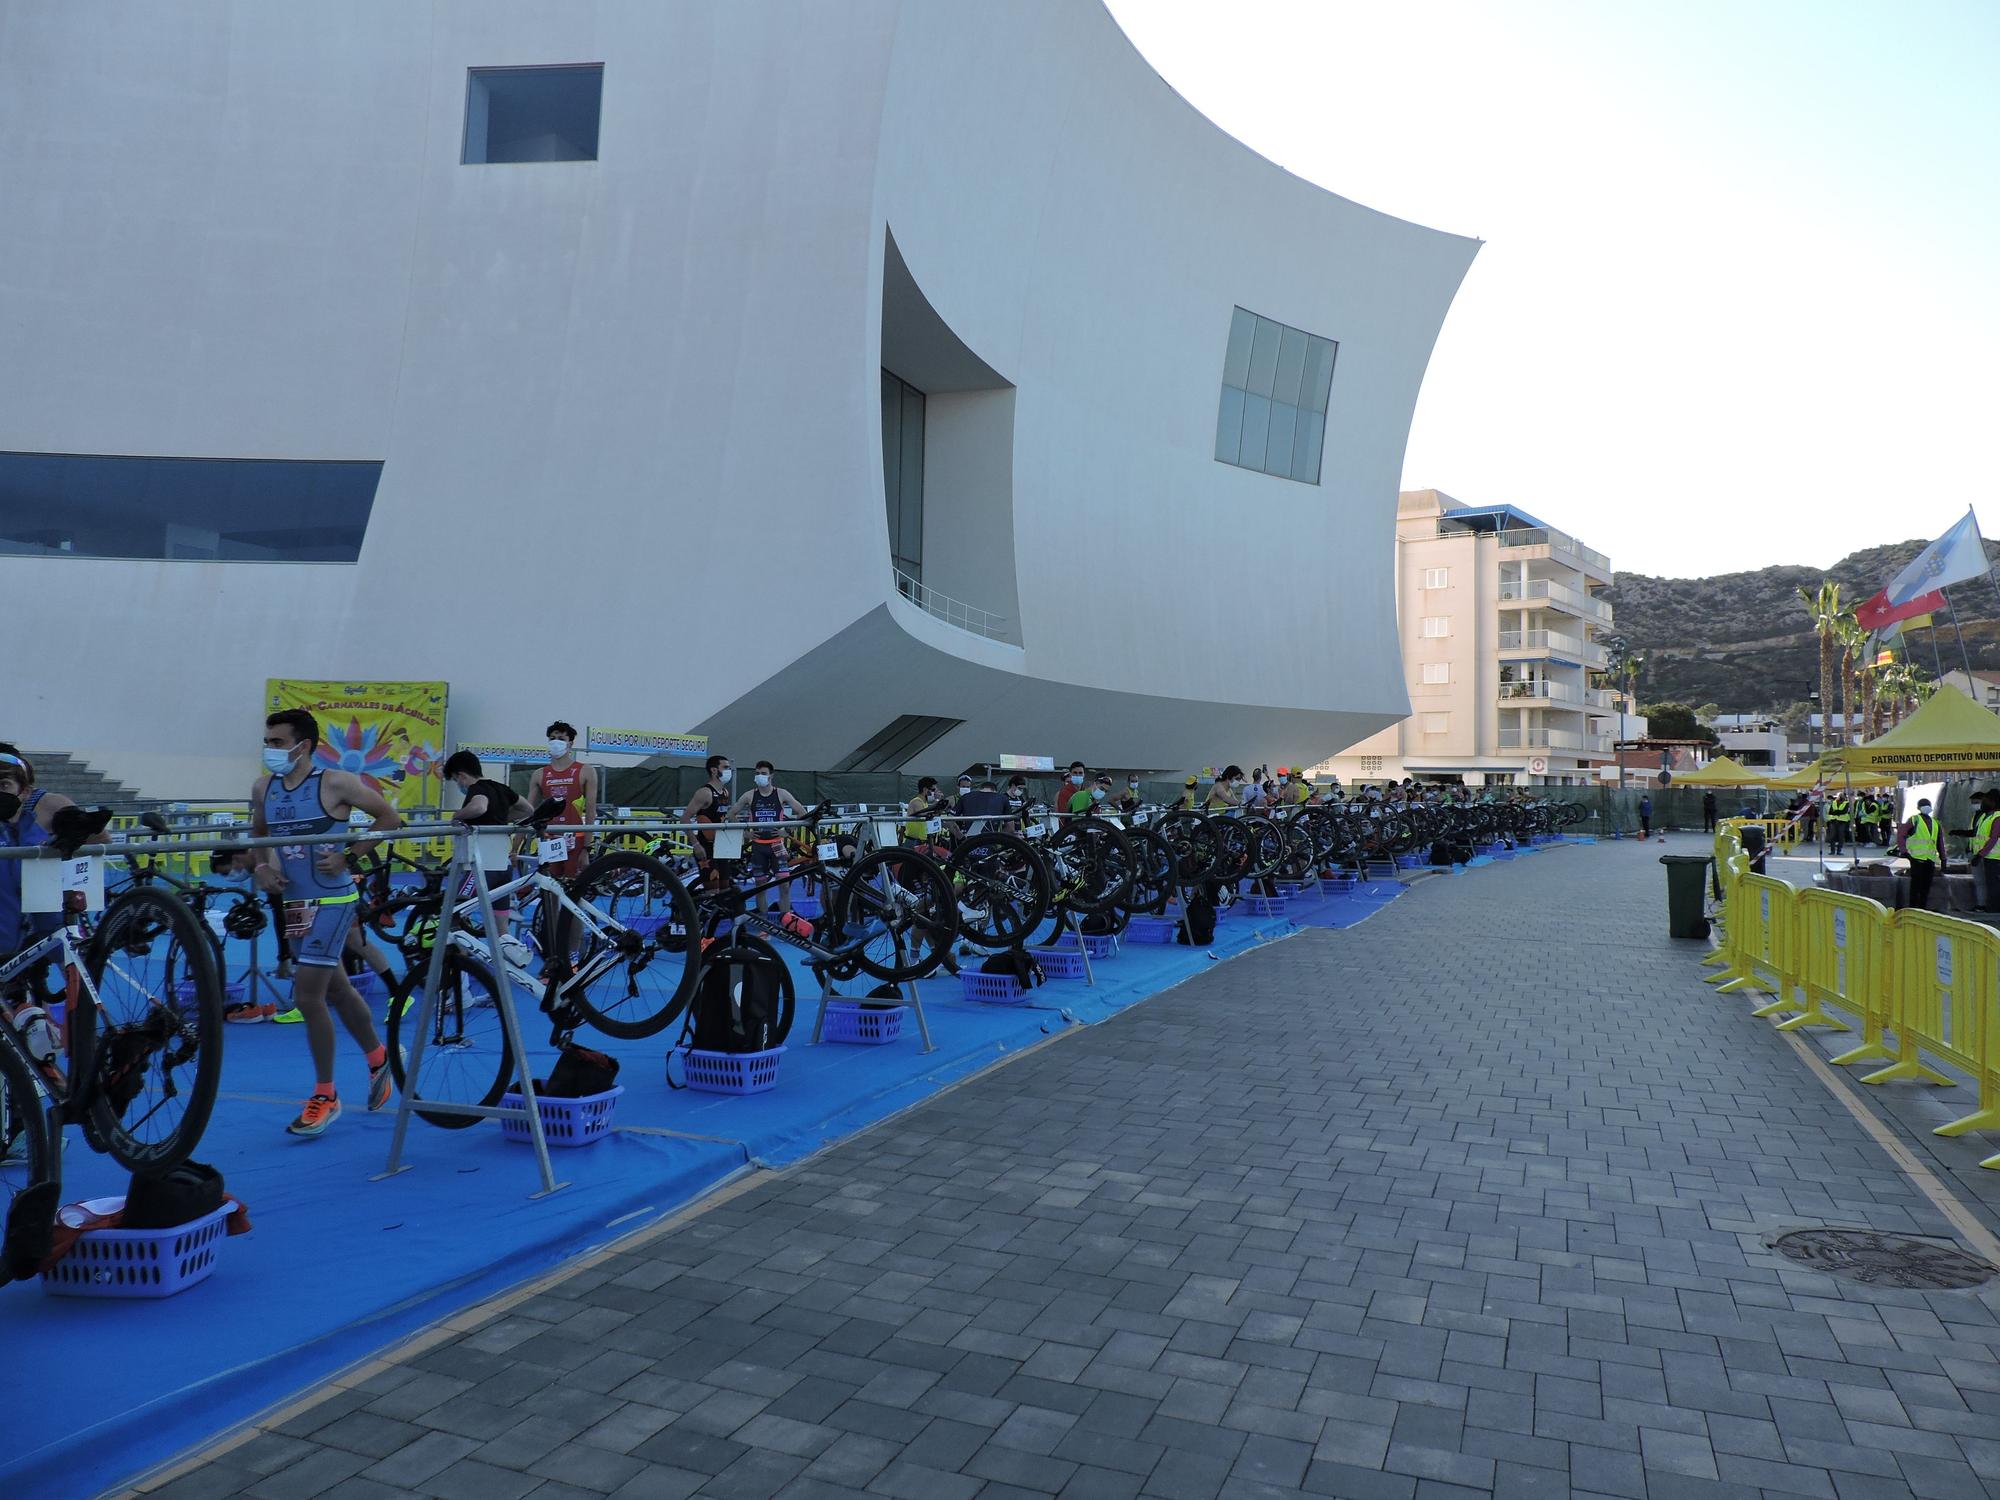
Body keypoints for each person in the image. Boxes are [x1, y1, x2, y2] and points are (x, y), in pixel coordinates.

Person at [250, 709, 402, 1137]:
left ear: (304, 745)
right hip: (295, 903)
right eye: (269, 741)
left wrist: (349, 855)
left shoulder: (335, 782)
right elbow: (258, 837)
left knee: (307, 995)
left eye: (278, 742)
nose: (270, 750)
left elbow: (390, 819)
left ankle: (325, 1094)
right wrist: (261, 868)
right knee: (335, 988)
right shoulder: (264, 787)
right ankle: (378, 1057)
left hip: (335, 899)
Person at [444, 749, 533, 936]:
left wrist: (456, 816)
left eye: (455, 780)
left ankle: (457, 958)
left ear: (461, 775)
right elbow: (528, 809)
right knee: (501, 927)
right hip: (503, 866)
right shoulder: (500, 788)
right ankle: (508, 957)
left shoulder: (477, 789)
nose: (458, 784)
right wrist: (503, 817)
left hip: (481, 865)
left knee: (454, 914)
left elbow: (479, 807)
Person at [730, 760, 810, 914]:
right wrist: (745, 833)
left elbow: (803, 813)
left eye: (763, 773)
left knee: (785, 886)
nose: (760, 776)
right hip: (758, 846)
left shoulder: (781, 793)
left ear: (771, 776)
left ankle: (786, 920)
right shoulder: (749, 795)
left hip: (777, 845)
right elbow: (731, 814)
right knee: (760, 887)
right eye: (757, 773)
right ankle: (764, 924)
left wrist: (787, 831)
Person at [528, 722, 593, 881]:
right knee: (551, 887)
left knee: (573, 889)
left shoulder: (586, 771)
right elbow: (529, 811)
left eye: (561, 738)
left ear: (570, 743)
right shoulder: (539, 774)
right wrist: (515, 847)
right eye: (552, 738)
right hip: (550, 839)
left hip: (576, 839)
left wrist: (586, 848)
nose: (556, 741)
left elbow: (591, 810)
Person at [681, 753, 734, 890]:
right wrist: (696, 844)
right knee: (713, 889)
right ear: (714, 770)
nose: (729, 771)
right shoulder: (704, 792)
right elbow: (685, 819)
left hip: (722, 846)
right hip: (706, 846)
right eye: (726, 767)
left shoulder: (725, 792)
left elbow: (724, 816)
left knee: (725, 887)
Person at [1898, 795, 1944, 912]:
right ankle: (1913, 909)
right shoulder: (1914, 820)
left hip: (1930, 859)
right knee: (1915, 886)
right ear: (1918, 808)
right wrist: (1904, 851)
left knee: (1926, 887)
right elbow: (1901, 834)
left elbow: (1940, 842)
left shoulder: (1935, 823)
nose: (1926, 807)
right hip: (1916, 858)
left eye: (1927, 805)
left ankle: (1922, 909)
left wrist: (1943, 858)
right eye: (1924, 805)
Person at [1825, 789, 1850, 856]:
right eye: (1839, 796)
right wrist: (1838, 813)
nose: (1840, 797)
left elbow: (1844, 811)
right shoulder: (1834, 802)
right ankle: (1832, 851)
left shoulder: (1846, 803)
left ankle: (1839, 850)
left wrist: (1836, 812)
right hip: (1833, 821)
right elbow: (1830, 812)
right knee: (1832, 836)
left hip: (1842, 821)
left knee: (1841, 836)